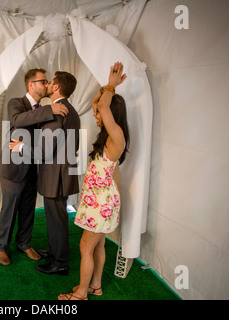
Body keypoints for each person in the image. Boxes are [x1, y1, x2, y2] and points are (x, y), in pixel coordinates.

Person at [58, 62, 129, 300]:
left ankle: (80, 294)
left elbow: (103, 107)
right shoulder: (108, 137)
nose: (95, 115)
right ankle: (95, 286)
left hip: (101, 203)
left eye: (99, 113)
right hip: (99, 201)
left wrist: (111, 85)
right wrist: (106, 89)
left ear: (111, 114)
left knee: (85, 248)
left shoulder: (117, 136)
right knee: (98, 245)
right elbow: (95, 103)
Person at [0, 68, 69, 266]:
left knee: (28, 209)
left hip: (34, 167)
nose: (47, 85)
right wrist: (49, 110)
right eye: (43, 81)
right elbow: (17, 120)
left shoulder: (46, 108)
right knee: (9, 209)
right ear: (31, 84)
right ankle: (0, 246)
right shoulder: (16, 103)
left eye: (47, 81)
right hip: (13, 167)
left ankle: (24, 243)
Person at [12, 71, 81, 275]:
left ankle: (60, 264)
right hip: (62, 175)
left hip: (56, 178)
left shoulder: (57, 112)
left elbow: (43, 152)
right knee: (55, 220)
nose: (48, 84)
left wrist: (20, 147)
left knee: (57, 221)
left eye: (50, 82)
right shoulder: (70, 110)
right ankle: (54, 252)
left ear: (57, 87)